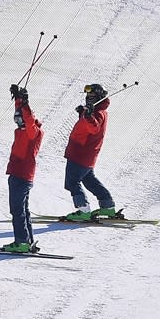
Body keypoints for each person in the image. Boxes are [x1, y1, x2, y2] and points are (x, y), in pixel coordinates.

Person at [62, 83, 116, 221]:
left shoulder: (98, 113)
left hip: (81, 154)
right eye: (87, 96)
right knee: (89, 180)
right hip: (86, 154)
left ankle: (83, 209)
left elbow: (93, 127)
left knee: (72, 181)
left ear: (98, 97)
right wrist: (84, 113)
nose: (88, 98)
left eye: (92, 97)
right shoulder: (97, 111)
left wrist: (87, 114)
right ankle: (107, 206)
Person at [3, 85, 44, 253]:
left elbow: (27, 118)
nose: (18, 121)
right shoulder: (24, 129)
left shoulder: (31, 132)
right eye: (16, 119)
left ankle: (22, 242)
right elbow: (24, 116)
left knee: (17, 210)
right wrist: (19, 100)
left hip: (21, 175)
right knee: (23, 210)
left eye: (20, 120)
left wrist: (25, 103)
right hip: (20, 174)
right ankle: (27, 240)